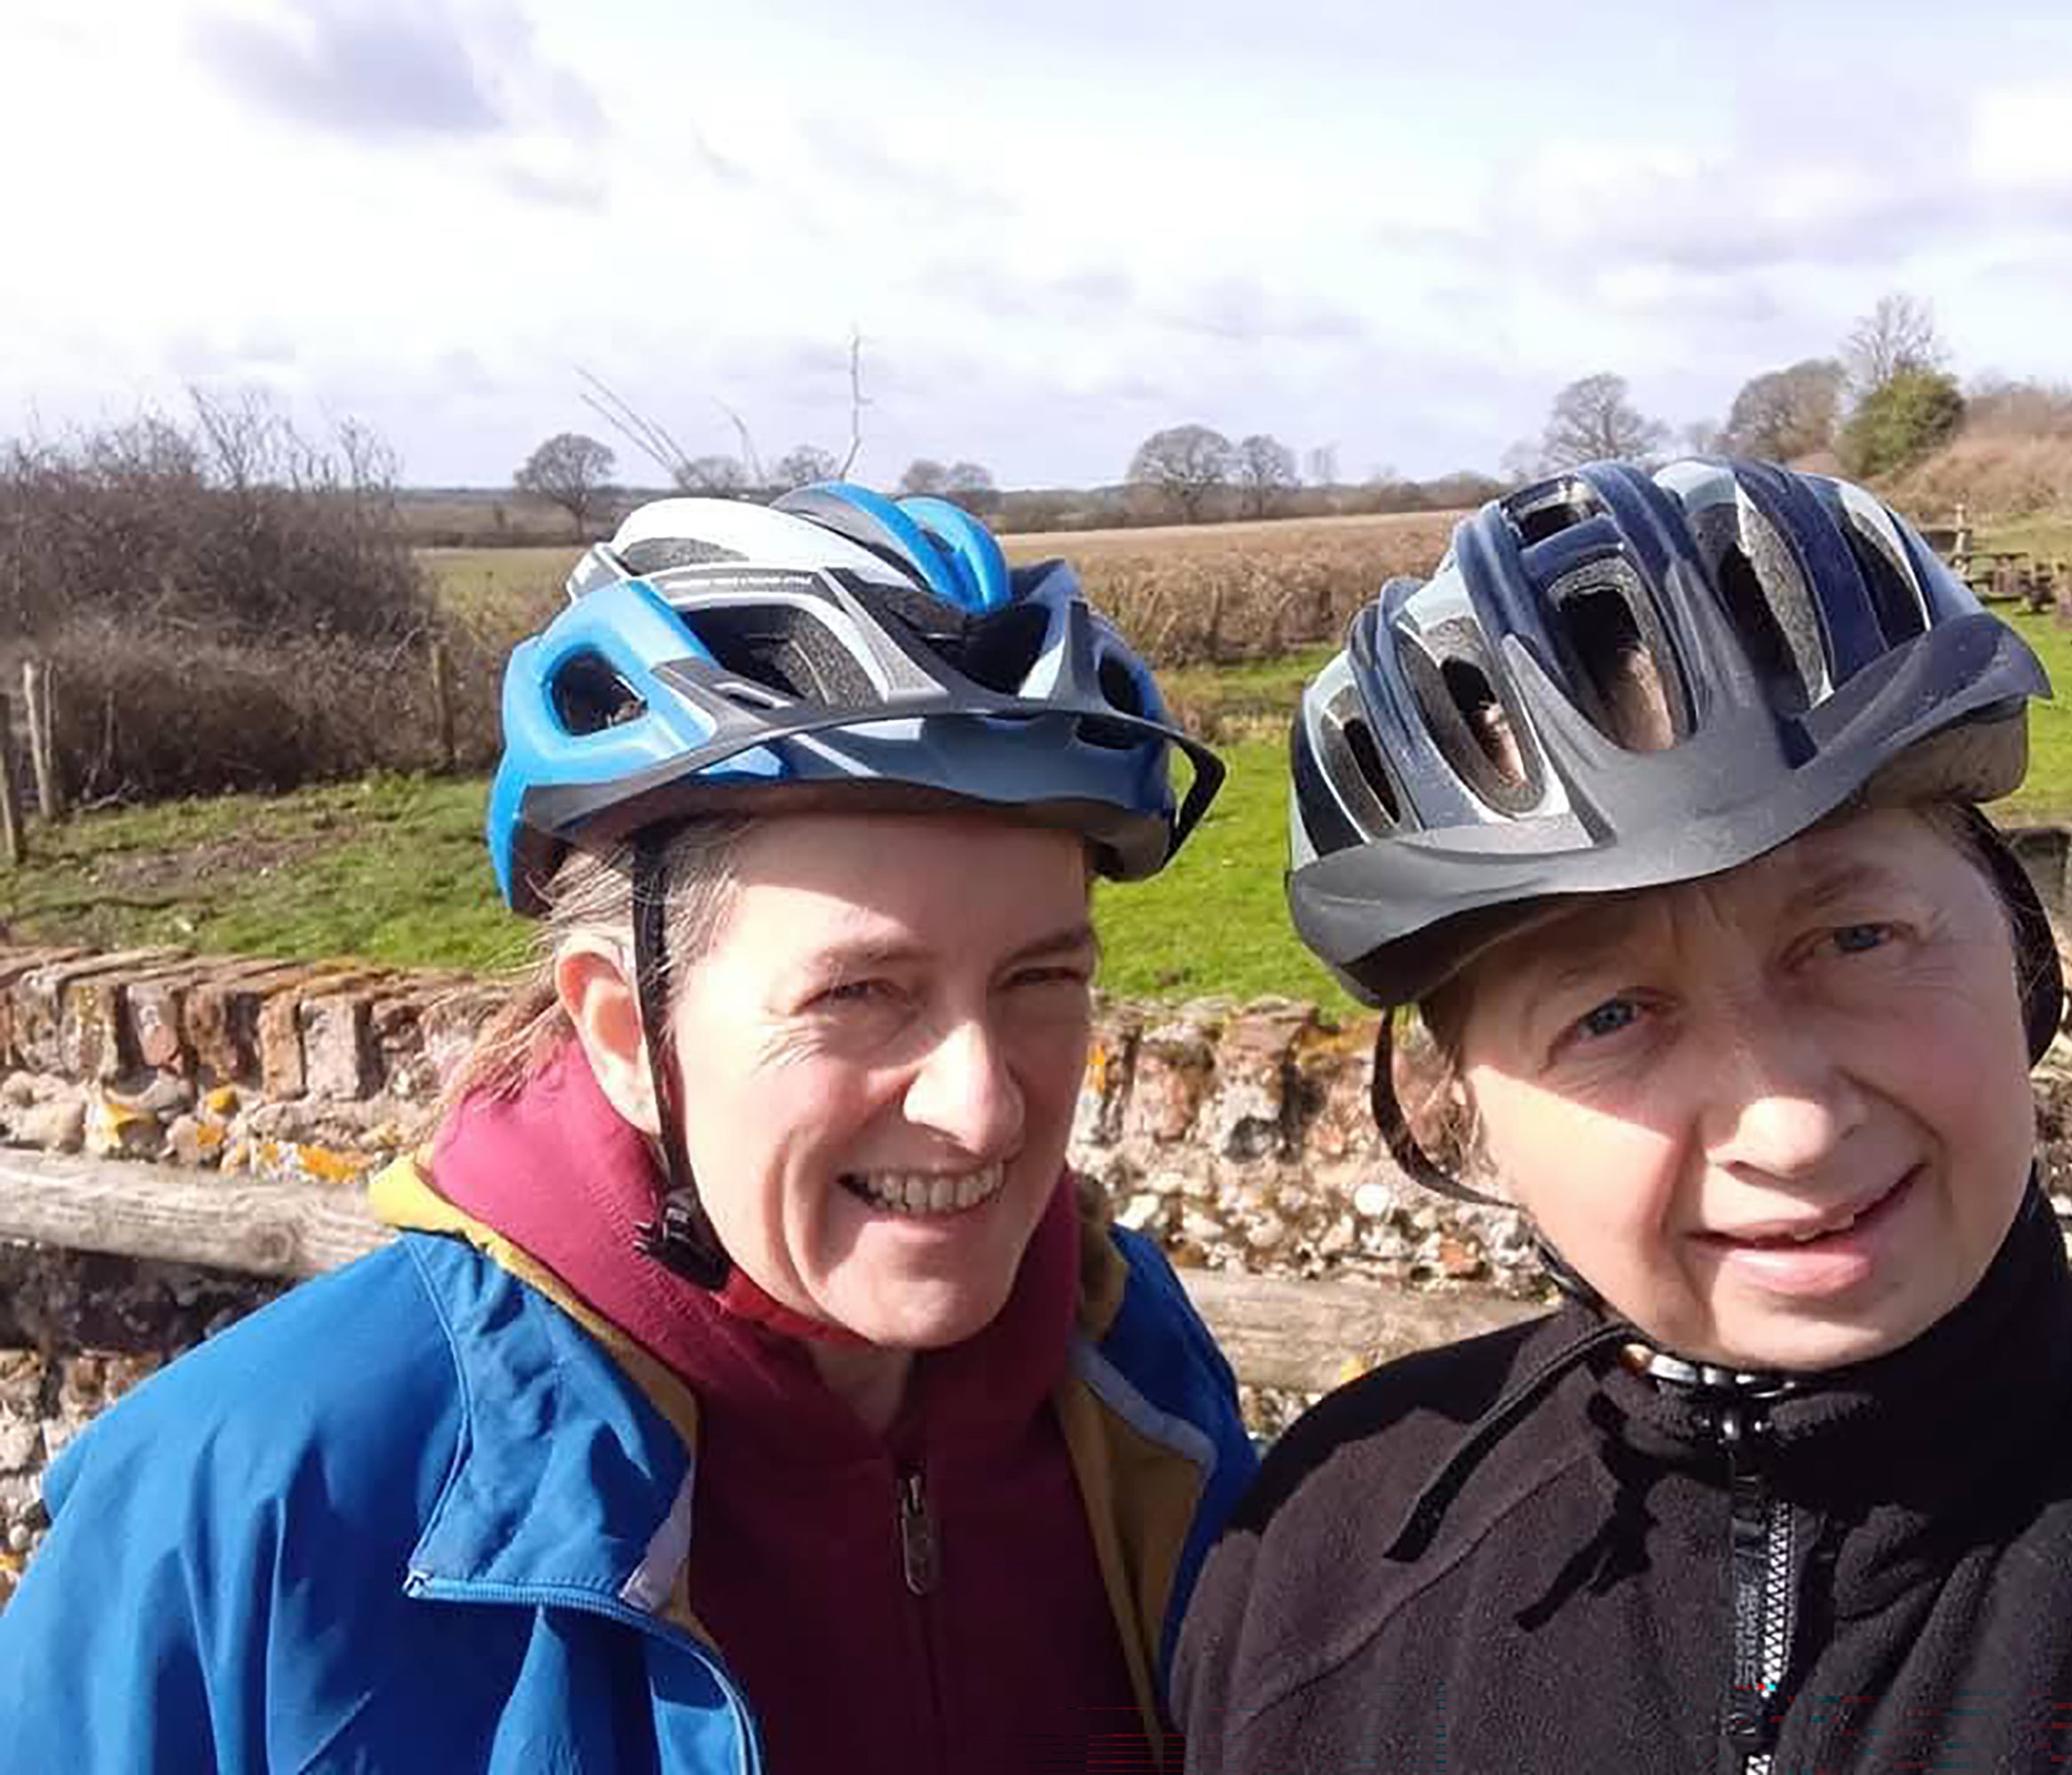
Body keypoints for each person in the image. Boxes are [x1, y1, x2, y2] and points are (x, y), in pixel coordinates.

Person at [1, 485, 1257, 1772]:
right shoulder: (252, 1501)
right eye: (861, 994)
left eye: (1041, 981)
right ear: (619, 1031)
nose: (983, 1102)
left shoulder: (1136, 1372)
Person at [1174, 459, 2072, 1772]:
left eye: (1857, 937)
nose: (1790, 1126)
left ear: (2023, 950)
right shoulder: (1313, 1573)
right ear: (1465, 1119)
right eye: (1611, 1016)